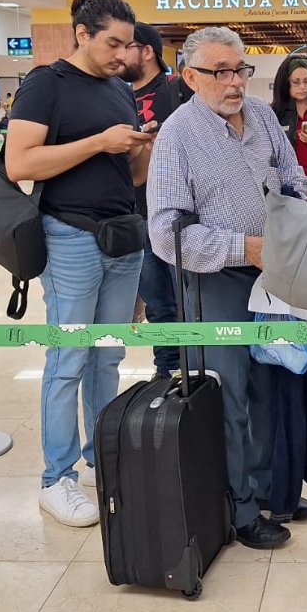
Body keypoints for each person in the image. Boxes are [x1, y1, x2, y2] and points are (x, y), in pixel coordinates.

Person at [148, 26, 307, 551]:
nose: (235, 81)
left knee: (271, 383)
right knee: (231, 392)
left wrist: (292, 214)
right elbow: (166, 234)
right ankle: (238, 507)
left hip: (276, 273)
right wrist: (246, 247)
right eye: (220, 72)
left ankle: (266, 487)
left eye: (240, 69)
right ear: (190, 77)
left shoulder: (263, 116)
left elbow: (292, 175)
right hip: (216, 279)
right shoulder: (177, 136)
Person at [6, 0, 156, 528]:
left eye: (128, 45)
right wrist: (98, 142)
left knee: (108, 356)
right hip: (70, 236)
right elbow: (19, 162)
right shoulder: (45, 84)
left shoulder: (120, 90)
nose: (123, 55)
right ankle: (57, 477)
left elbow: (131, 177)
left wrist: (140, 148)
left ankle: (102, 456)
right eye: (113, 43)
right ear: (81, 33)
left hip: (122, 236)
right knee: (68, 357)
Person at [121, 21, 185, 379]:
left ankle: (197, 369)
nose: (118, 54)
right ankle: (167, 371)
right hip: (136, 213)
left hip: (180, 214)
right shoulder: (117, 96)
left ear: (147, 51)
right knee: (159, 304)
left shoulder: (178, 91)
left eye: (126, 46)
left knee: (188, 301)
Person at [271, 55, 307, 199]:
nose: (302, 87)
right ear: (286, 83)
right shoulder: (275, 114)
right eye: (296, 82)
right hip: (292, 191)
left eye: (306, 81)